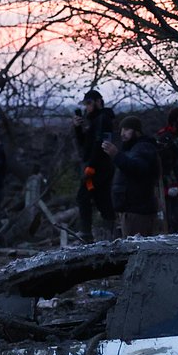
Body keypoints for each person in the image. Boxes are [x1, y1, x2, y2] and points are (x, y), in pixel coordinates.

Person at [73, 89, 118, 242]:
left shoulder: (103, 119)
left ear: (98, 102)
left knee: (84, 196)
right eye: (86, 104)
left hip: (99, 169)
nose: (87, 107)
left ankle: (87, 234)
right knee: (101, 199)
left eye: (90, 103)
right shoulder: (94, 121)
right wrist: (78, 128)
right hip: (96, 168)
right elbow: (84, 145)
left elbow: (101, 144)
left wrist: (91, 167)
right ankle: (110, 235)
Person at [106, 115, 162, 237]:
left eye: (126, 130)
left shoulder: (143, 148)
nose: (122, 133)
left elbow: (137, 168)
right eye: (121, 130)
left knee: (137, 249)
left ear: (137, 131)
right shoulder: (133, 149)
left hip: (138, 211)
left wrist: (116, 155)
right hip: (132, 210)